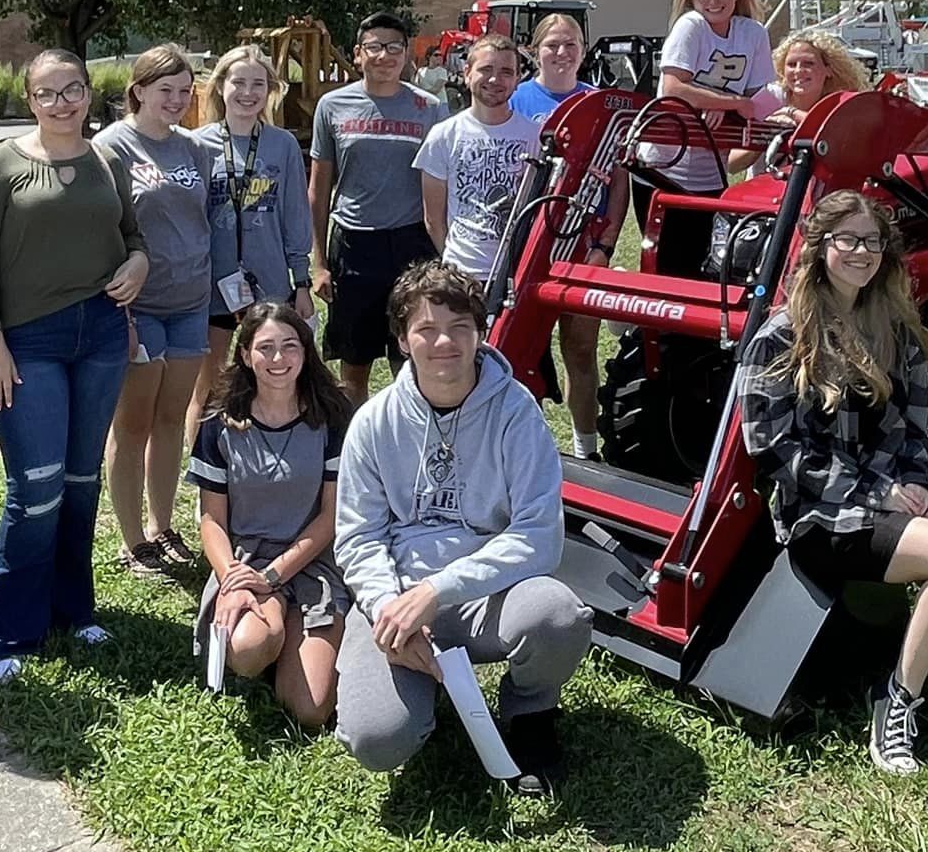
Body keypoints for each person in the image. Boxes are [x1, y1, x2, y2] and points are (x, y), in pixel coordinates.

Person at [740, 190, 928, 776]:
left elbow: (919, 429)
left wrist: (917, 480)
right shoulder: (782, 334)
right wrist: (875, 490)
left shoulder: (893, 327)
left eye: (872, 241)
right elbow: (772, 448)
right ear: (819, 249)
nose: (861, 252)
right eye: (846, 239)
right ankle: (896, 700)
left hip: (891, 500)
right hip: (820, 513)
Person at [333, 261, 591, 795]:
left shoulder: (517, 412)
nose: (443, 342)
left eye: (459, 328)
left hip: (485, 596)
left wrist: (439, 589)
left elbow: (540, 533)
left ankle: (531, 715)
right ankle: (427, 696)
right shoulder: (373, 422)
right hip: (396, 598)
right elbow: (358, 538)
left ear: (480, 332)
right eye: (426, 329)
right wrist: (388, 609)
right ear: (403, 340)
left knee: (556, 615)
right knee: (378, 740)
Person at [0, 49, 149, 683]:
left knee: (80, 479)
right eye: (48, 93)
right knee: (35, 487)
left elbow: (133, 235)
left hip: (98, 334)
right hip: (25, 343)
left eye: (73, 90)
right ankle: (10, 633)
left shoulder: (106, 159)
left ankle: (73, 608)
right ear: (30, 98)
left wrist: (138, 264)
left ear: (91, 95)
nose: (62, 102)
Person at [188, 304, 353, 727]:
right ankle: (273, 640)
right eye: (265, 348)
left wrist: (274, 578)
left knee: (310, 711)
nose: (278, 360)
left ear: (305, 351)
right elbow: (211, 520)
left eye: (289, 346)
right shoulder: (218, 422)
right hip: (245, 561)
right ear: (244, 355)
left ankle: (300, 636)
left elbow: (331, 518)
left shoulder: (333, 417)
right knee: (245, 650)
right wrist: (234, 579)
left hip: (313, 562)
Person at [95, 44, 215, 578]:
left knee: (172, 418)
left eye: (185, 91)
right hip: (137, 307)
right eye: (164, 89)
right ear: (138, 90)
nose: (176, 100)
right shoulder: (112, 147)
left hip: (191, 301)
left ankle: (162, 526)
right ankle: (131, 539)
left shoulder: (193, 148)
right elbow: (102, 231)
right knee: (134, 423)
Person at [509, 13, 629, 458]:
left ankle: (586, 449)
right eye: (552, 44)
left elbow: (619, 178)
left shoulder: (602, 103)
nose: (562, 52)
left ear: (583, 49)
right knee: (523, 352)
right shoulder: (517, 99)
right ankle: (528, 454)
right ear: (535, 50)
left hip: (584, 243)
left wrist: (606, 244)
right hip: (532, 241)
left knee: (580, 351)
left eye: (571, 44)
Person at [309, 12, 444, 405]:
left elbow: (442, 186)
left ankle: (411, 443)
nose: (383, 55)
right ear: (357, 54)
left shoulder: (429, 108)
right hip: (354, 246)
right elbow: (318, 190)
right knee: (354, 366)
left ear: (406, 55)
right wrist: (319, 262)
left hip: (412, 245)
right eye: (374, 47)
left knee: (414, 358)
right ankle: (357, 452)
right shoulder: (332, 106)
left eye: (393, 47)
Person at [191, 45, 313, 454]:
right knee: (207, 387)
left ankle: (260, 461)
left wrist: (302, 282)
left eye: (257, 84)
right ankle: (204, 474)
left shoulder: (282, 146)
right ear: (220, 87)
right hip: (211, 286)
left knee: (269, 380)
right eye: (238, 82)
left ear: (270, 90)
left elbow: (296, 216)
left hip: (270, 285)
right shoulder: (197, 146)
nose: (247, 92)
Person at [634, 0, 775, 277]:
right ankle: (657, 328)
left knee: (703, 267)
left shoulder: (753, 33)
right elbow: (673, 88)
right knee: (666, 267)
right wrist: (728, 102)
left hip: (710, 171)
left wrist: (722, 103)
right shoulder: (691, 26)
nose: (714, 2)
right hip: (662, 169)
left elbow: (754, 99)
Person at [414, 34, 544, 285]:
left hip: (517, 273)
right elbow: (433, 219)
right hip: (461, 274)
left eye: (507, 72)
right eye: (486, 69)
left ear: (518, 80)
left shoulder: (535, 137)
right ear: (467, 73)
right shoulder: (444, 135)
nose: (495, 79)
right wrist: (454, 265)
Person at [731, 29, 866, 175]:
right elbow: (732, 165)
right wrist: (765, 132)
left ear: (829, 70)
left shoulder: (838, 102)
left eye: (808, 64)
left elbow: (850, 148)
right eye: (791, 64)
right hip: (763, 190)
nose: (799, 70)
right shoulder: (771, 97)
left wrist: (793, 114)